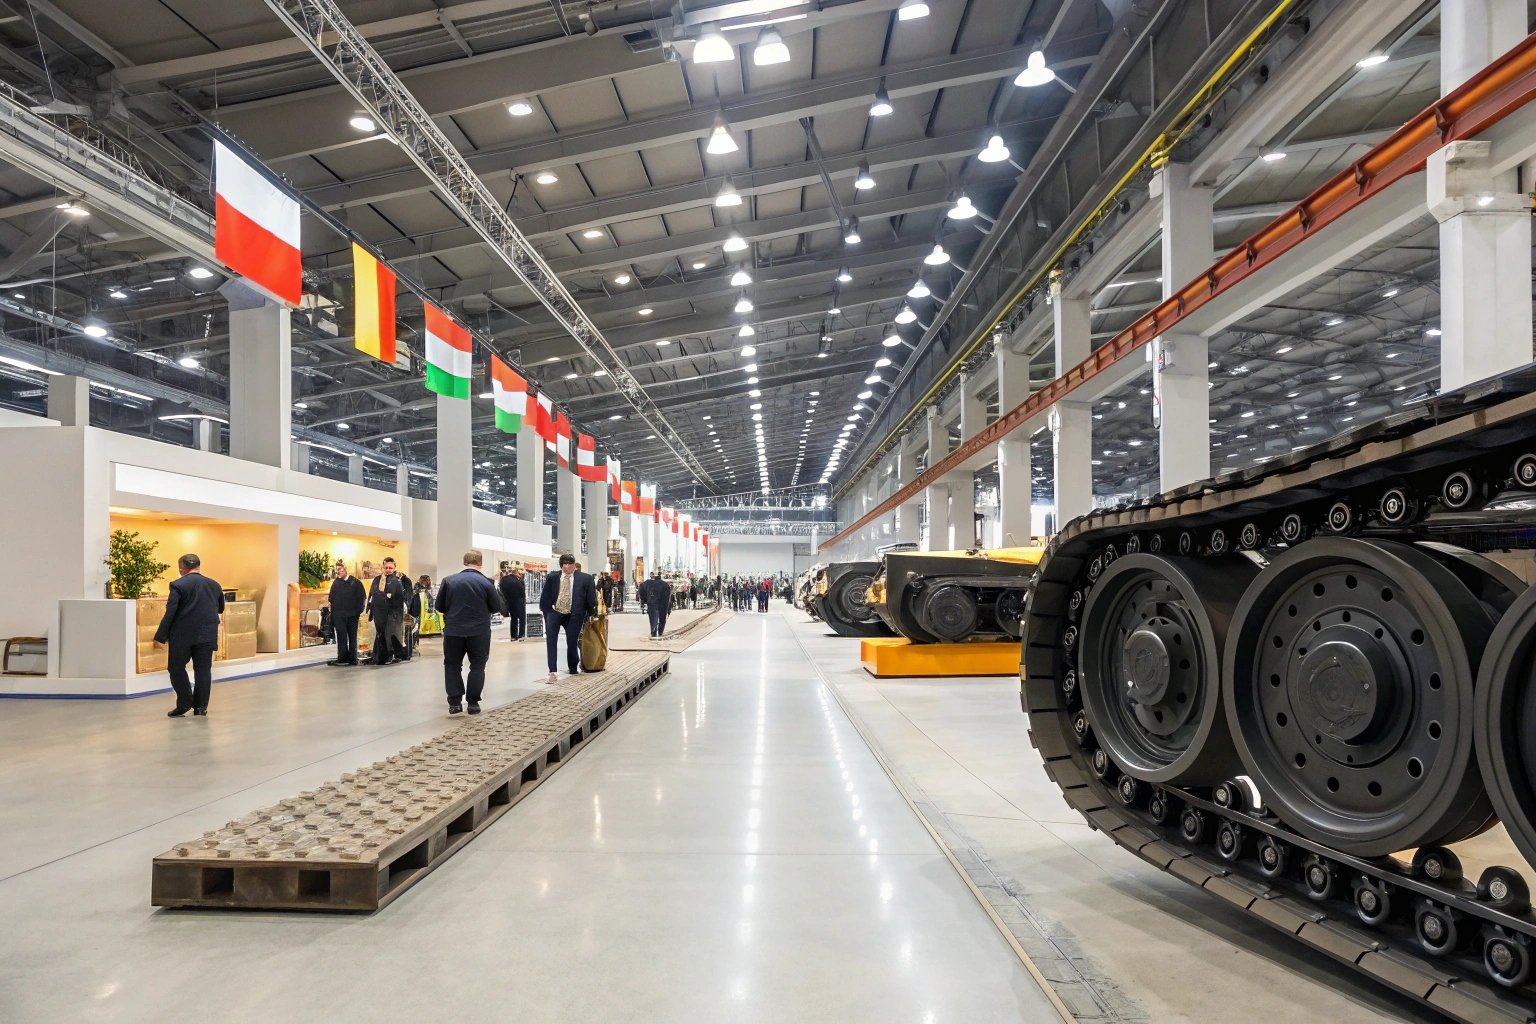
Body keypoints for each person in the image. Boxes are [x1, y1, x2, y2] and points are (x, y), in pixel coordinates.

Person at [154, 553, 225, 717]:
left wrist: (160, 636)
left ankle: (184, 702)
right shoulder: (214, 585)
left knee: (176, 668)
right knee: (203, 670)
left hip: (182, 635)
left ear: (181, 568)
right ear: (198, 566)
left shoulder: (178, 585)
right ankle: (200, 707)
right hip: (207, 633)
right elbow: (220, 608)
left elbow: (170, 613)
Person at [435, 550, 502, 715]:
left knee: (452, 665)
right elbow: (496, 607)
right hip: (479, 631)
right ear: (480, 563)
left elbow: (439, 606)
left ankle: (455, 703)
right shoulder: (487, 583)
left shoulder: (448, 581)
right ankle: (473, 703)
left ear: (464, 562)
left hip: (453, 630)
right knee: (477, 666)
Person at [539, 552, 598, 683]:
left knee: (572, 641)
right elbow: (545, 596)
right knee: (551, 641)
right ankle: (552, 671)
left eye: (569, 564)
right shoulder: (552, 577)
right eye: (563, 564)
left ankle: (572, 667)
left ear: (574, 565)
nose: (566, 567)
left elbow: (591, 599)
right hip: (555, 612)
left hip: (574, 614)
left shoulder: (585, 579)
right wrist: (547, 612)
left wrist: (591, 614)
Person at [367, 557, 408, 665]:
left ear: (394, 568)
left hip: (391, 614)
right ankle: (378, 657)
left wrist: (396, 616)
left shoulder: (397, 582)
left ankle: (387, 656)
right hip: (378, 613)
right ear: (383, 567)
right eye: (386, 568)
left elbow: (399, 600)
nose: (388, 570)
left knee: (388, 636)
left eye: (390, 568)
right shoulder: (377, 580)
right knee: (380, 635)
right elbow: (371, 595)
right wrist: (369, 610)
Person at [327, 561, 365, 666]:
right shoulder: (336, 583)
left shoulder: (356, 583)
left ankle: (353, 658)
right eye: (336, 570)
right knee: (341, 637)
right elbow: (331, 599)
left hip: (352, 615)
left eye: (339, 569)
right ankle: (342, 658)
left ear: (345, 569)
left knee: (352, 637)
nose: (337, 572)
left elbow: (362, 598)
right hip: (339, 616)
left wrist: (357, 612)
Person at [499, 566, 527, 642]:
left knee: (513, 618)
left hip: (509, 601)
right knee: (522, 619)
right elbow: (522, 591)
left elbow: (501, 589)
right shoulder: (518, 580)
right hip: (519, 601)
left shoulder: (504, 579)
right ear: (516, 572)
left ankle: (513, 636)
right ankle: (521, 635)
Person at [639, 571, 670, 637]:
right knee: (662, 617)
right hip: (663, 603)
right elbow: (667, 597)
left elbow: (641, 589)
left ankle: (653, 631)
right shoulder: (665, 584)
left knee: (653, 617)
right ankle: (660, 631)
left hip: (652, 602)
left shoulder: (647, 583)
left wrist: (644, 599)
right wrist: (668, 607)